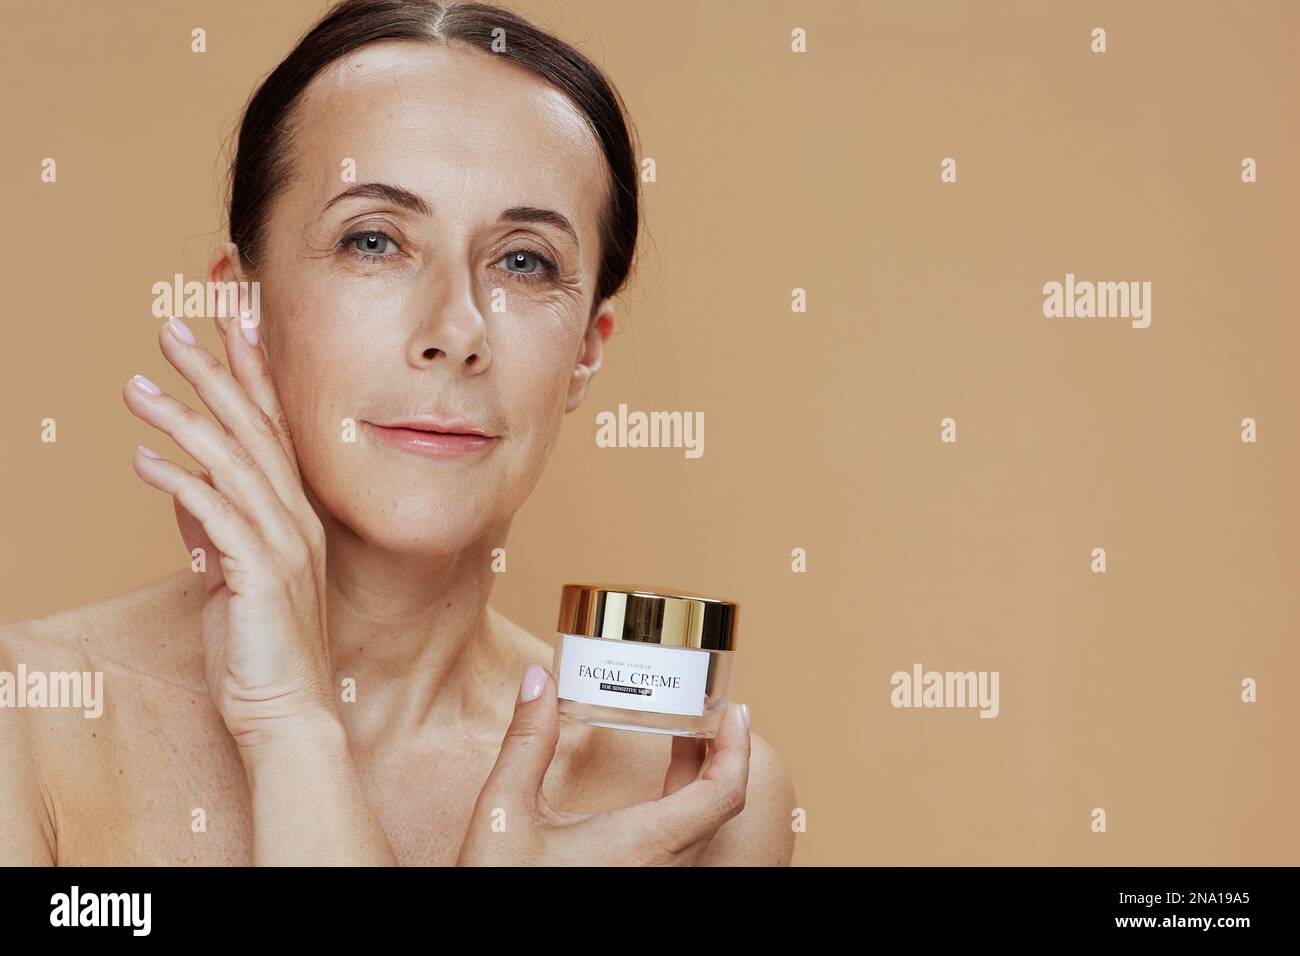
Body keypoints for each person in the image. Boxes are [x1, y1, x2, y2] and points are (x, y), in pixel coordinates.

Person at [0, 0, 796, 865]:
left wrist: (294, 730)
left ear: (584, 356)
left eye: (524, 261)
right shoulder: (27, 718)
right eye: (373, 241)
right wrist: (289, 720)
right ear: (242, 305)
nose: (457, 329)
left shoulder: (685, 801)